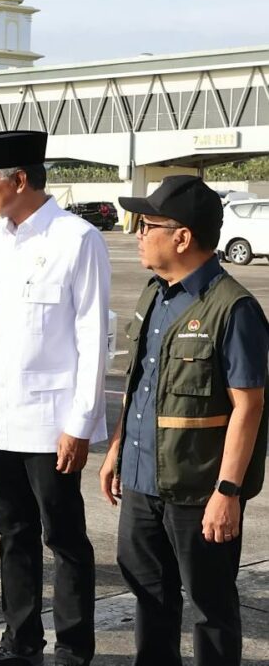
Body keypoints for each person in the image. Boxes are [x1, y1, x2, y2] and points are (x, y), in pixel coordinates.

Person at [99, 176, 268, 666]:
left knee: (210, 607)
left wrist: (228, 492)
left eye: (147, 224)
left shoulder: (232, 309)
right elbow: (139, 386)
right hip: (142, 481)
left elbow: (249, 406)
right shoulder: (154, 296)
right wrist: (115, 451)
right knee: (149, 599)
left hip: (198, 491)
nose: (138, 233)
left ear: (182, 236)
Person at [0, 131, 109, 666]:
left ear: (19, 180)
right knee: (12, 532)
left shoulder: (76, 238)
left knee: (64, 537)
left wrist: (81, 423)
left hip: (50, 421)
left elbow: (93, 337)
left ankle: (73, 646)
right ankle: (20, 641)